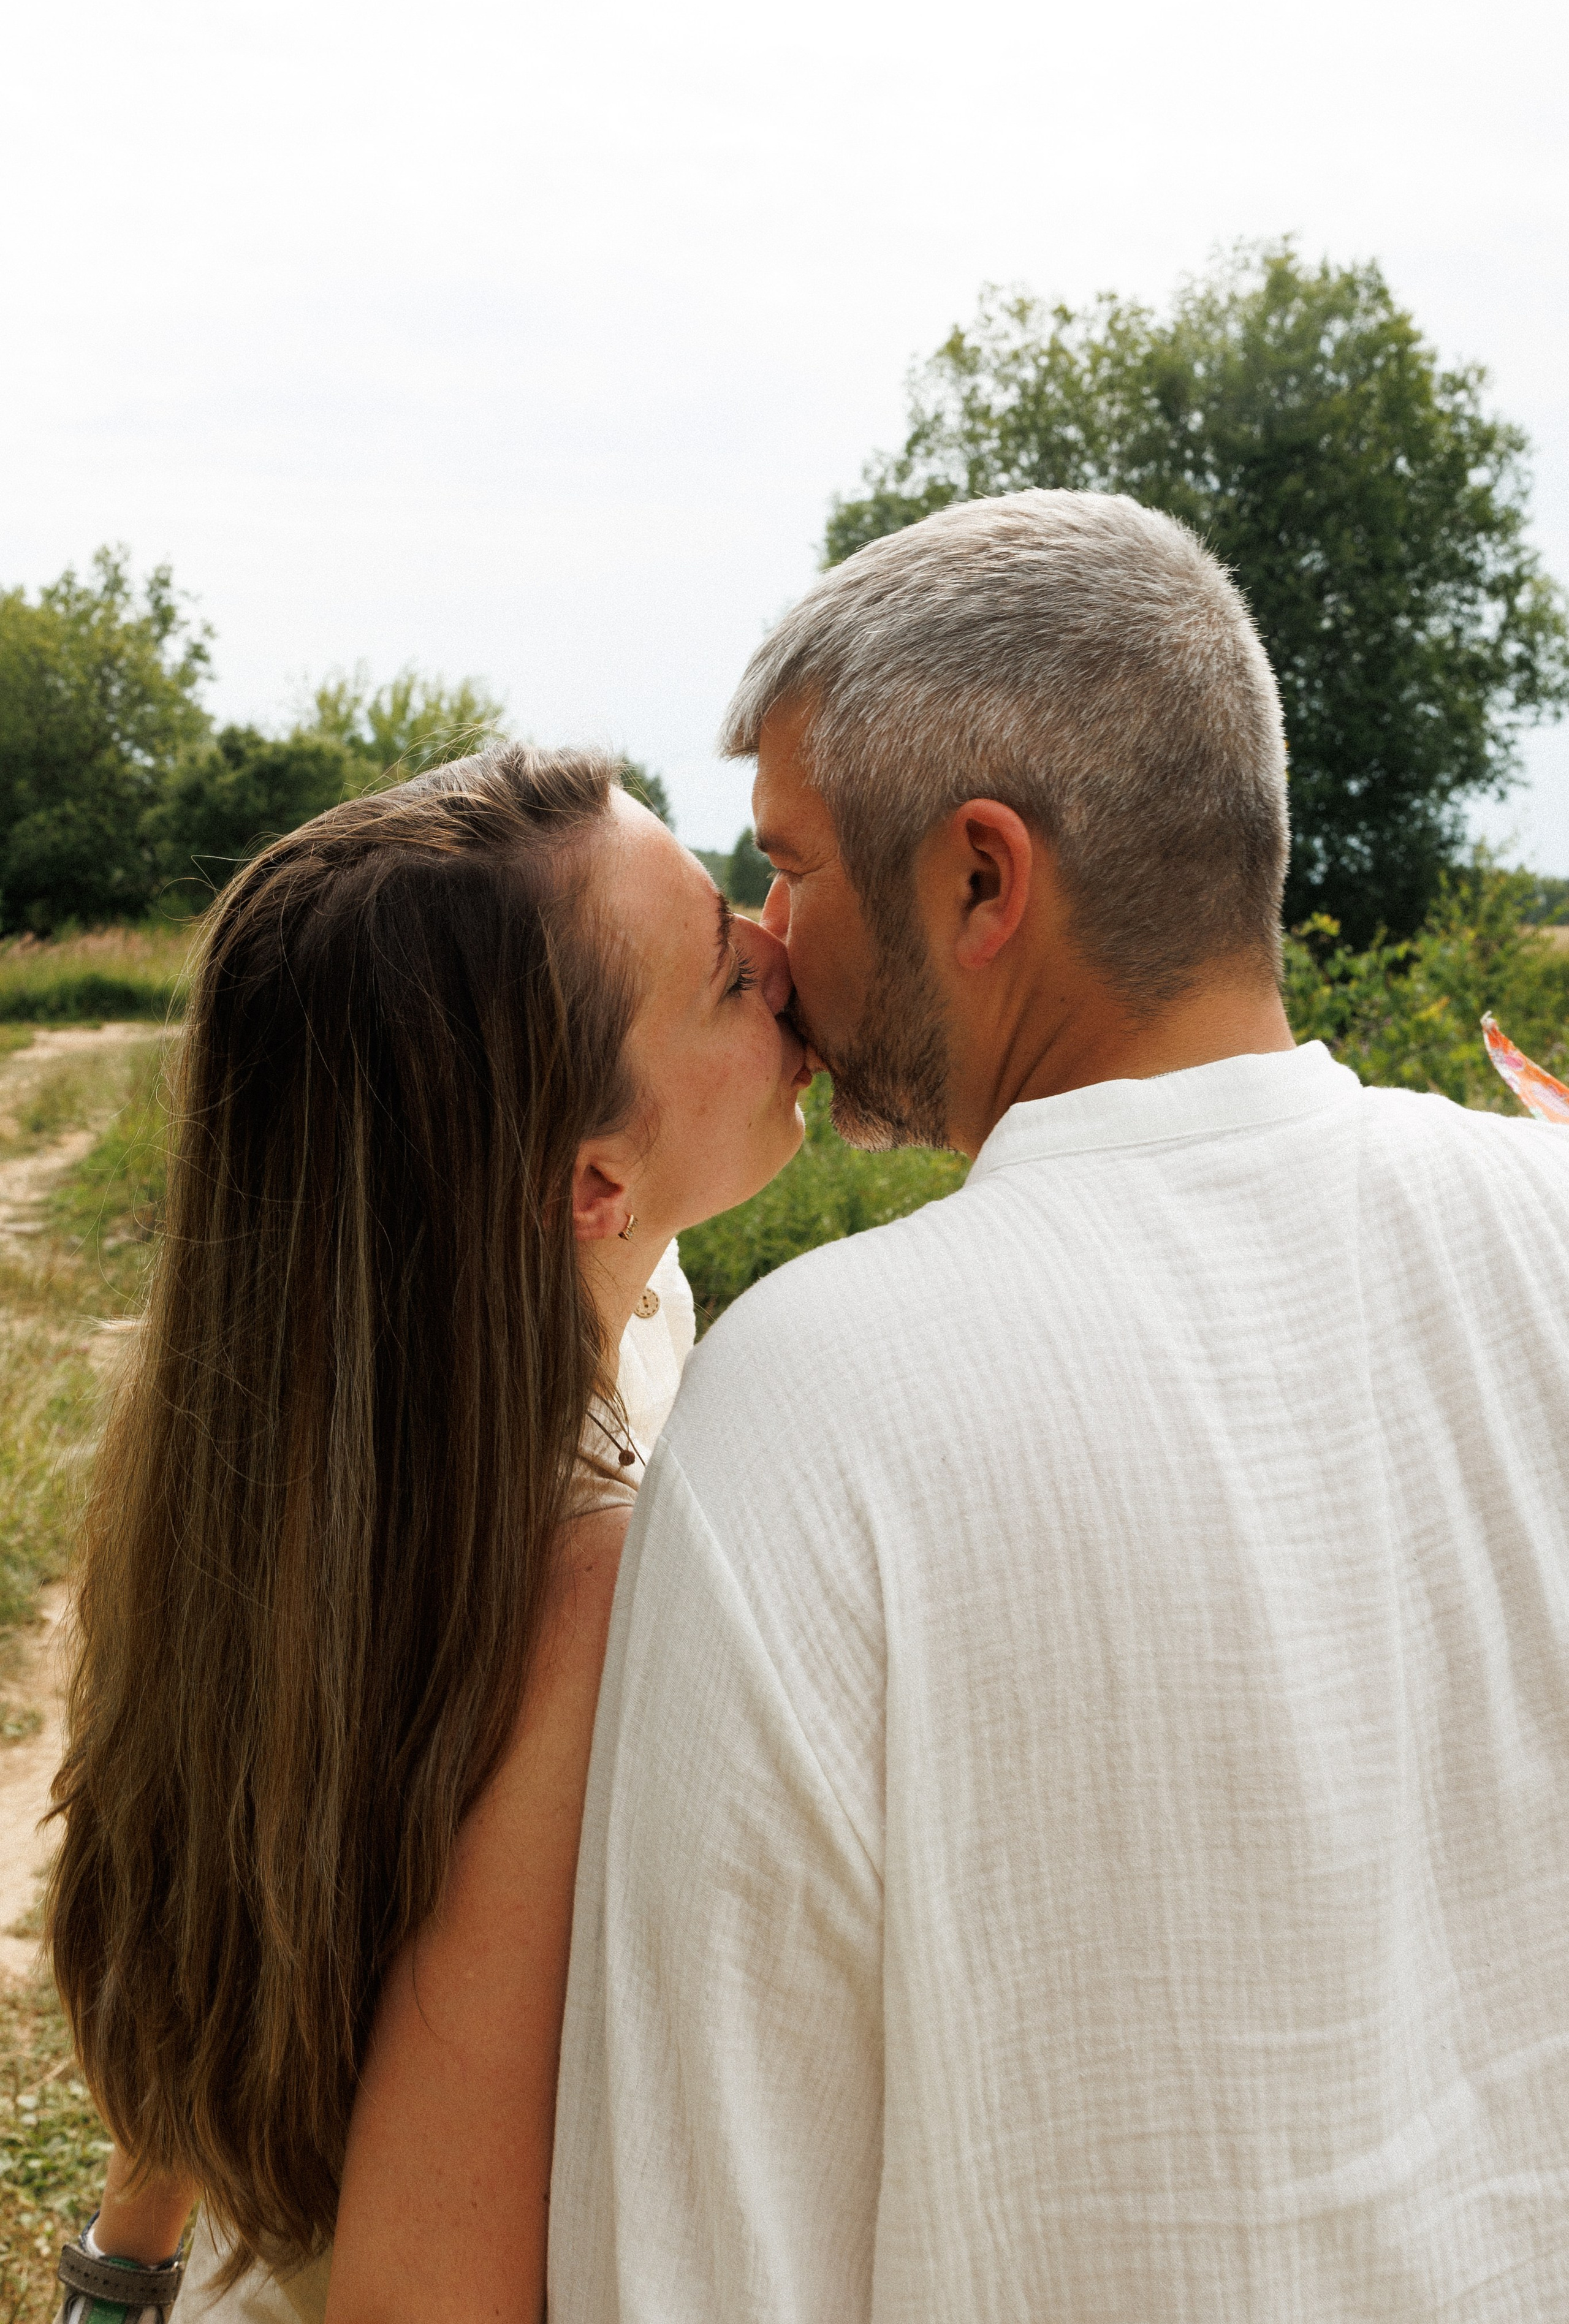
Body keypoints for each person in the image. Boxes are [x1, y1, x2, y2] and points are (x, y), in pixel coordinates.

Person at [549, 490, 1569, 2320]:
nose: (768, 940)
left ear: (981, 880)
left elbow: (697, 2260)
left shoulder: (815, 1400)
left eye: (793, 864)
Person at [46, 744, 813, 2324]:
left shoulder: (293, 1446)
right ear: (589, 1182)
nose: (789, 959)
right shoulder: (589, 1580)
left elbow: (245, 1898)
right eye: (731, 974)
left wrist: (120, 2279)